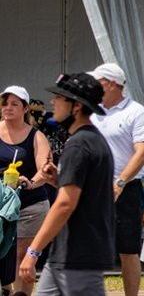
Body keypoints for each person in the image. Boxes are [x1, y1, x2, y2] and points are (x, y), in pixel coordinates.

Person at [18, 74, 113, 296]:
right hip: (66, 253)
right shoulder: (93, 139)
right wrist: (58, 181)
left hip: (79, 255)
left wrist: (33, 251)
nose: (53, 102)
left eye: (59, 98)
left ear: (76, 106)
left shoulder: (79, 145)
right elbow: (85, 193)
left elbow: (65, 204)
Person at [88, 63, 144, 296]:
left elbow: (142, 152)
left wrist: (120, 182)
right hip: (94, 189)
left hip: (126, 190)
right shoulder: (91, 111)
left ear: (112, 84)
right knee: (91, 248)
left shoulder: (136, 111)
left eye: (97, 82)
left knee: (128, 250)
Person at [1, 86, 54, 296]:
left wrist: (29, 182)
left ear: (25, 109)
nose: (8, 108)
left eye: (15, 104)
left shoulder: (36, 136)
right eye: (5, 103)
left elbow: (45, 170)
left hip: (29, 204)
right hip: (1, 204)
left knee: (21, 255)